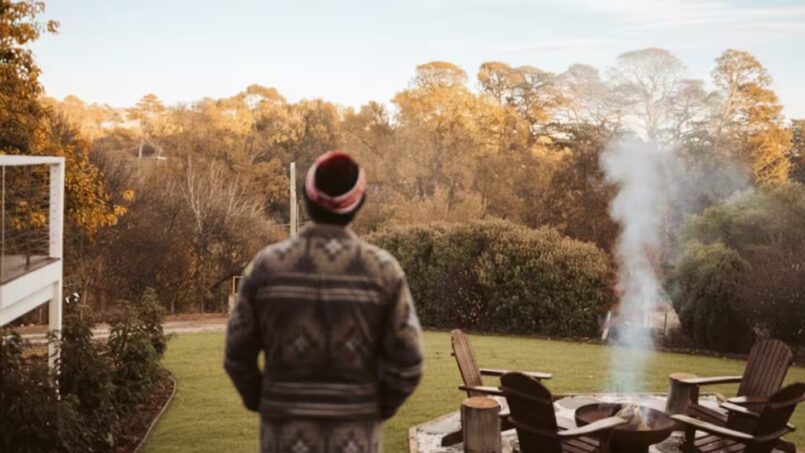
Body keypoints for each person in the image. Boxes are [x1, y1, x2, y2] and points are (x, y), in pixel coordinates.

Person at [224, 152, 424, 453]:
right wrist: (371, 408)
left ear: (306, 198)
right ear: (360, 203)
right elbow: (409, 361)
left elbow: (237, 355)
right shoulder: (383, 271)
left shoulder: (266, 267)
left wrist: (266, 401)